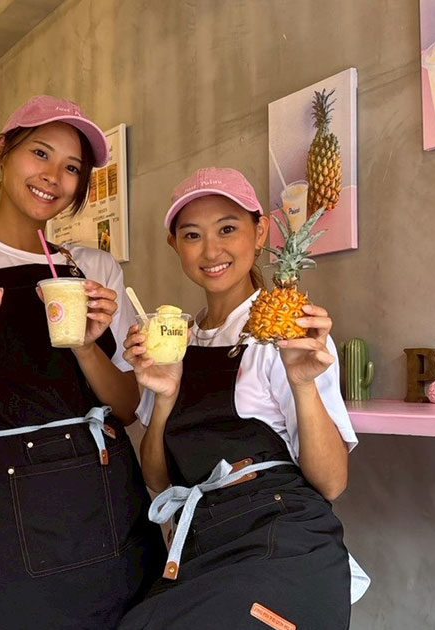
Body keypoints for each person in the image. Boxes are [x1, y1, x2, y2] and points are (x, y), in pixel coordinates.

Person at [0, 95, 165, 630]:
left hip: (111, 498)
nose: (53, 177)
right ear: (3, 151)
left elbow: (128, 409)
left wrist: (85, 345)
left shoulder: (93, 268)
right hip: (17, 509)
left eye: (72, 168)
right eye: (40, 153)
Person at [117, 167, 369, 630]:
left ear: (261, 232)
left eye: (228, 229)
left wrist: (302, 383)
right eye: (192, 235)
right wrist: (165, 398)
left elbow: (332, 483)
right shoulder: (174, 339)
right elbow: (158, 479)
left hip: (283, 542)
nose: (211, 250)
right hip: (203, 543)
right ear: (175, 244)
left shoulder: (288, 333)